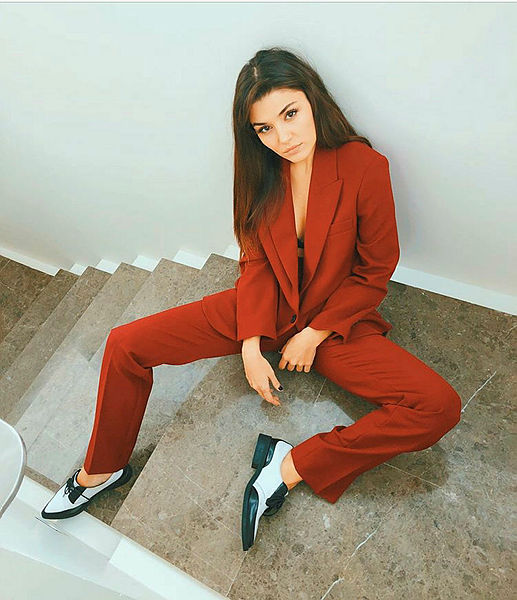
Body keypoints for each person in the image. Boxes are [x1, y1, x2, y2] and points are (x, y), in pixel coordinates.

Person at [41, 47, 461, 553]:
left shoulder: (364, 166)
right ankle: (101, 471)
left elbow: (374, 272)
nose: (283, 138)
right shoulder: (259, 170)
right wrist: (250, 342)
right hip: (266, 306)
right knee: (124, 344)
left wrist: (314, 334)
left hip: (332, 321)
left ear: (313, 100)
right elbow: (256, 261)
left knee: (438, 407)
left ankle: (288, 466)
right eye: (264, 128)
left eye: (290, 114)